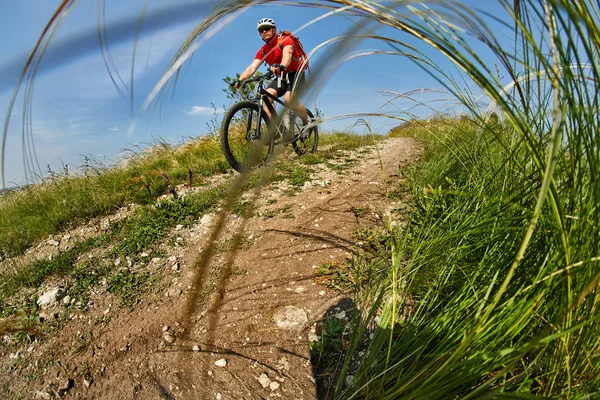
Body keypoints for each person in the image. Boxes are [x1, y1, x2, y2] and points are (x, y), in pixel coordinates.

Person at [231, 18, 312, 140]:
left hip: (296, 74)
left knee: (289, 100)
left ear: (274, 29)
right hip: (281, 77)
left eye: (267, 28)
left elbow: (288, 54)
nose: (264, 32)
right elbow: (253, 67)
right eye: (261, 30)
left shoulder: (285, 40)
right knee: (267, 96)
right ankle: (275, 128)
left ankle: (307, 123)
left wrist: (282, 65)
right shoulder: (263, 51)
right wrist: (240, 80)